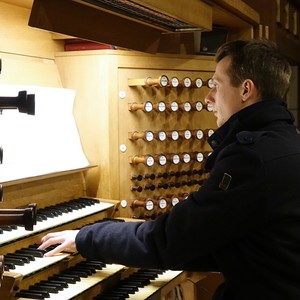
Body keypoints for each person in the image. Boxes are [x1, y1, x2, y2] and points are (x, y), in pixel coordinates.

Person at [38, 39, 300, 300]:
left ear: (246, 90)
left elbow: (169, 241)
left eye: (216, 86)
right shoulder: (287, 140)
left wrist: (87, 238)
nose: (208, 98)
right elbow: (227, 242)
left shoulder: (250, 158)